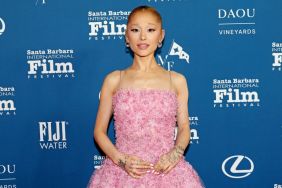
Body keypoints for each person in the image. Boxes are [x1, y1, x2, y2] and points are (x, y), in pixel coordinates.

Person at [87, 5, 205, 188]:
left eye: (150, 30)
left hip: (167, 172)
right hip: (121, 175)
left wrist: (173, 156)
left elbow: (184, 128)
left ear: (161, 36)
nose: (143, 37)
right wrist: (122, 161)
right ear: (127, 36)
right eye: (135, 30)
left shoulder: (177, 80)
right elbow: (99, 132)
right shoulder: (114, 80)